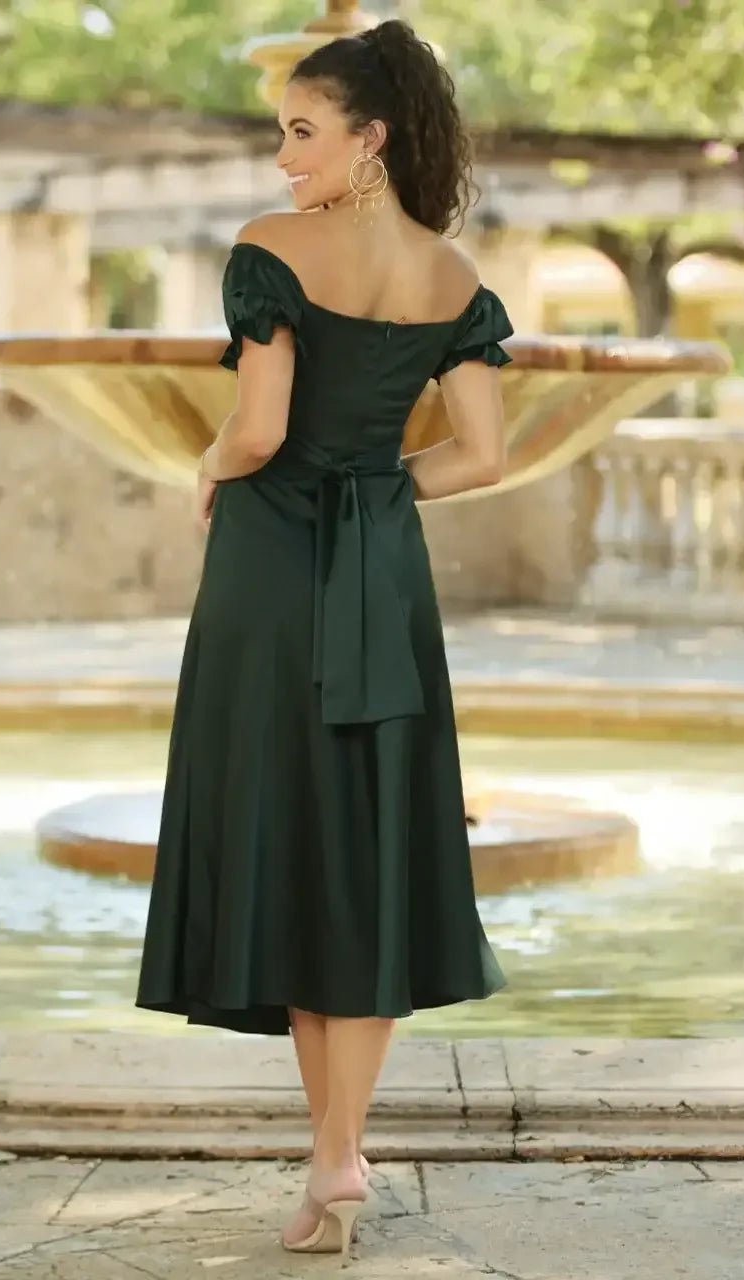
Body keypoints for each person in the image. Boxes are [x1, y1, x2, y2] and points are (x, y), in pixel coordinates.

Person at [136, 17, 510, 1259]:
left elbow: (254, 426)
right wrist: (381, 485)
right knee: (363, 849)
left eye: (301, 131)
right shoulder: (451, 276)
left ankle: (338, 1156)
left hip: (272, 570)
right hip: (382, 573)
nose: (281, 156)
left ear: (370, 136)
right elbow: (487, 454)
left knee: (290, 842)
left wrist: (205, 463)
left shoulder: (271, 250)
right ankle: (336, 1154)